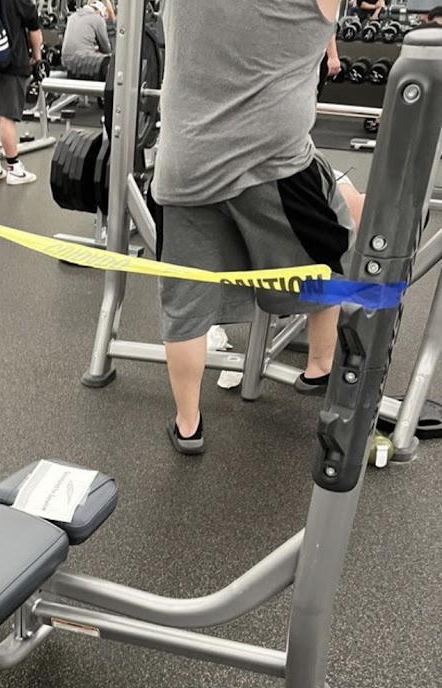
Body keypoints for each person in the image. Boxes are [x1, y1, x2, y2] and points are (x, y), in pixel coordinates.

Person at [153, 0, 361, 455]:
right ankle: (320, 365)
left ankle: (188, 424)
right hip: (276, 165)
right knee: (330, 258)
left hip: (184, 166)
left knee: (185, 303)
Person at [0, 0, 43, 185]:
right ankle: (14, 169)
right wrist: (37, 58)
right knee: (7, 116)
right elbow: (34, 29)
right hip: (12, 62)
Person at [61, 0, 111, 75]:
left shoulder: (72, 16)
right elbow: (106, 49)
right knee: (110, 61)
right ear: (99, 12)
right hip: (82, 61)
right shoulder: (98, 19)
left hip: (65, 61)